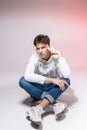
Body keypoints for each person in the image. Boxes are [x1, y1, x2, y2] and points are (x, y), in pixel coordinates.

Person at [19, 34, 71, 125]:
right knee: (22, 81)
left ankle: (37, 109)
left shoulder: (55, 56)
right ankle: (54, 104)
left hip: (52, 87)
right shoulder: (34, 57)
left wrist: (60, 55)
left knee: (66, 81)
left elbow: (66, 74)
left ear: (49, 46)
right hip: (39, 86)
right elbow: (27, 76)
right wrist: (52, 80)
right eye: (37, 48)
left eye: (43, 48)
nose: (40, 51)